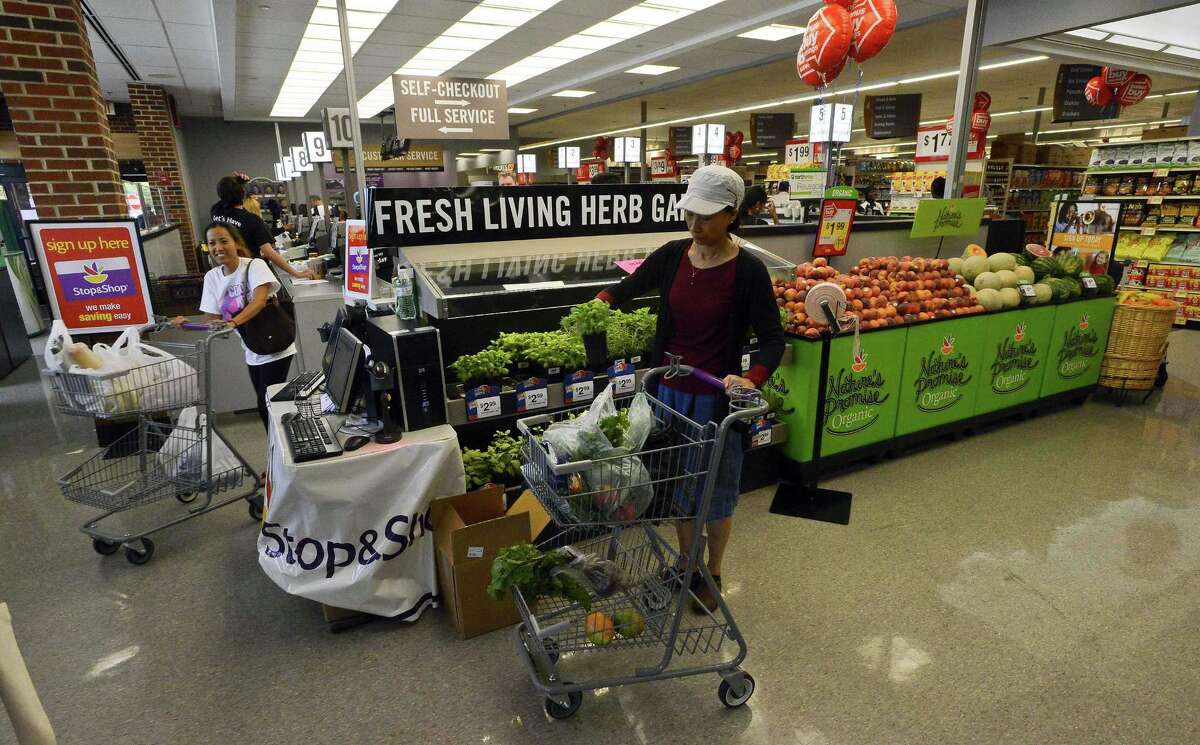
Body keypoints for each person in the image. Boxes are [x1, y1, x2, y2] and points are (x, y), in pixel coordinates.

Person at [595, 164, 785, 613]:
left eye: (707, 216)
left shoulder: (748, 271)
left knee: (715, 490)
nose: (695, 225)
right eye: (690, 214)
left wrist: (752, 377)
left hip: (713, 400)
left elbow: (773, 339)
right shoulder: (673, 254)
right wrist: (601, 302)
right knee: (678, 486)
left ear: (732, 214)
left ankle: (712, 572)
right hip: (668, 394)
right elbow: (630, 285)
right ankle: (686, 564)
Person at [177, 222, 297, 430]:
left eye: (224, 241)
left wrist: (232, 322)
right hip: (252, 348)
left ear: (237, 243)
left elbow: (259, 301)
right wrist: (188, 325)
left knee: (265, 405)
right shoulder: (212, 277)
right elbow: (213, 320)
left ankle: (281, 444)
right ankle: (280, 442)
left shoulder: (255, 266)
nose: (218, 248)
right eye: (212, 243)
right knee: (267, 405)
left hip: (275, 344)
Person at [210, 175, 312, 279]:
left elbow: (225, 195)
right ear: (242, 194)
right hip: (250, 272)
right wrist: (296, 273)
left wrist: (235, 184)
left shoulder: (215, 212)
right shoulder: (251, 220)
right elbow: (269, 253)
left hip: (227, 272)